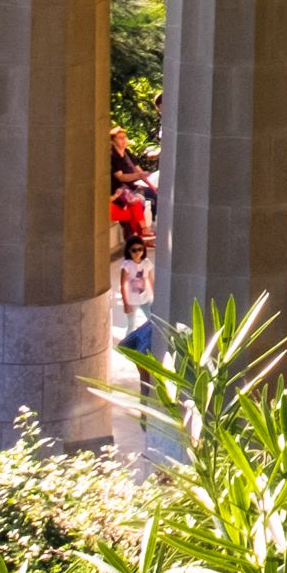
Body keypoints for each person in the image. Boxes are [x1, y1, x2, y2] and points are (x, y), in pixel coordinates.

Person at [116, 234, 155, 397]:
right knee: (131, 326)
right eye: (134, 250)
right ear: (129, 251)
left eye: (140, 249)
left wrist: (155, 294)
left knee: (152, 322)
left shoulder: (146, 263)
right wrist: (125, 302)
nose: (137, 253)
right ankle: (130, 352)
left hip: (146, 298)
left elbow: (150, 279)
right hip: (132, 299)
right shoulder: (127, 265)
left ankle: (148, 348)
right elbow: (123, 283)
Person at [111, 126, 157, 242]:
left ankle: (145, 235)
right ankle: (142, 232)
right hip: (119, 189)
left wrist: (152, 186)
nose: (123, 140)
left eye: (124, 137)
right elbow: (121, 177)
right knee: (139, 201)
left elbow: (139, 171)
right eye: (120, 138)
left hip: (134, 186)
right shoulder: (112, 156)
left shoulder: (127, 153)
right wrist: (139, 176)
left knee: (153, 195)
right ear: (112, 141)